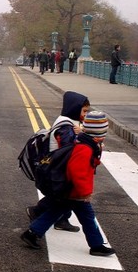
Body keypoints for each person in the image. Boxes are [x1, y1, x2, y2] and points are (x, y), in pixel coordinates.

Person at [21, 111, 116, 257]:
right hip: (75, 193)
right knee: (87, 217)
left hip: (70, 191)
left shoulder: (86, 143)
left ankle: (32, 233)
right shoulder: (85, 148)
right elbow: (77, 172)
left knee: (55, 212)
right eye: (103, 132)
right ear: (98, 134)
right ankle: (96, 245)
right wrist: (85, 193)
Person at [26, 91, 90, 232]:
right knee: (62, 197)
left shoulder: (67, 121)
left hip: (58, 164)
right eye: (84, 111)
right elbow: (69, 147)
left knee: (62, 197)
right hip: (59, 166)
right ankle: (38, 212)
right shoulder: (67, 127)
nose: (85, 114)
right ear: (75, 108)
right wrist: (84, 136)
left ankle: (60, 218)